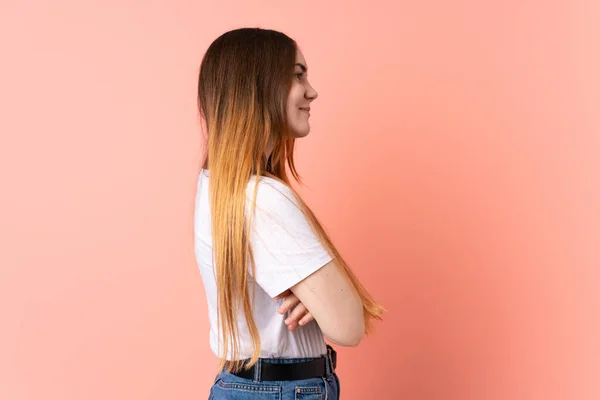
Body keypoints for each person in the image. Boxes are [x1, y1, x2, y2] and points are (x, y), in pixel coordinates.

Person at [194, 27, 384, 399]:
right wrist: (324, 293)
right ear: (258, 86)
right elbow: (348, 325)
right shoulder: (261, 199)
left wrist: (318, 292)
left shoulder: (218, 187)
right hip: (278, 390)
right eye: (297, 75)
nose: (312, 91)